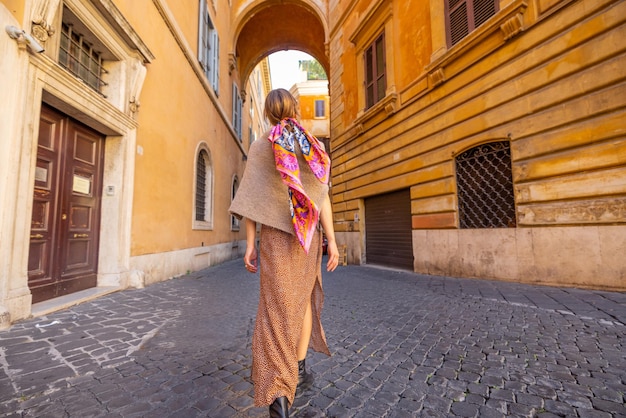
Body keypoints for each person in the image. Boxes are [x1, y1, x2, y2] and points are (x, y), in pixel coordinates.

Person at [229, 88, 339, 418]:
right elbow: (323, 198)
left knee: (276, 308)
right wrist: (332, 241)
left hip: (276, 239)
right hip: (307, 238)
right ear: (295, 110)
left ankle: (278, 393)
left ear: (266, 112)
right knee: (302, 299)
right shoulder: (313, 147)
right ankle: (299, 366)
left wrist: (250, 244)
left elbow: (251, 201)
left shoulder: (261, 146)